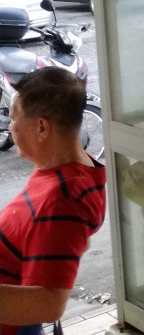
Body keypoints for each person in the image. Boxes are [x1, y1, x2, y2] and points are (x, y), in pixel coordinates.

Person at [0, 67, 106, 335]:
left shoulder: (64, 199)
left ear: (42, 127)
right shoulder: (69, 169)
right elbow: (66, 241)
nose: (10, 127)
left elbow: (48, 304)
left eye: (14, 119)